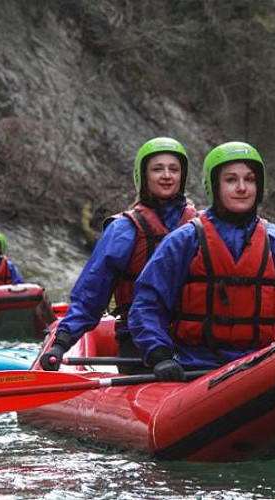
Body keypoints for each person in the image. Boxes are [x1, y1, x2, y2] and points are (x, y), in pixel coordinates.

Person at [128, 141, 275, 381]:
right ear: (214, 186)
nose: (242, 188)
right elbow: (148, 304)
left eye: (249, 180)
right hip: (194, 368)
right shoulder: (184, 241)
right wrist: (159, 354)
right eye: (231, 180)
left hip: (261, 366)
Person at [40, 137, 198, 373]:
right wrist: (61, 342)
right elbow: (91, 293)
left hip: (194, 346)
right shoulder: (124, 230)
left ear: (182, 176)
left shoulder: (199, 226)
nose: (167, 175)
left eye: (174, 169)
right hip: (140, 346)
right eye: (157, 169)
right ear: (143, 176)